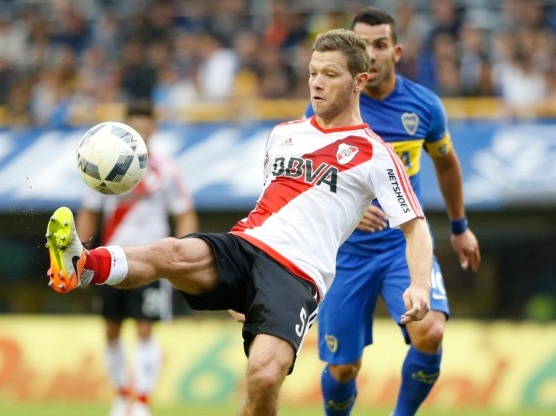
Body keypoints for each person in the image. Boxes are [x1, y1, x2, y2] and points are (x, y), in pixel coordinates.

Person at [45, 28, 434, 416]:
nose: (316, 83)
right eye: (313, 73)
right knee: (173, 250)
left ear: (359, 81)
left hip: (296, 273)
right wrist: (242, 286)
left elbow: (415, 226)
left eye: (330, 75)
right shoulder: (284, 134)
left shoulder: (376, 154)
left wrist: (419, 285)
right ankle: (82, 265)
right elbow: (268, 203)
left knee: (264, 377)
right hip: (246, 245)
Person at [303, 9, 481, 416]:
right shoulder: (326, 108)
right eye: (361, 46)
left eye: (379, 45)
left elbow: (447, 162)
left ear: (396, 51)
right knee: (343, 368)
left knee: (431, 331)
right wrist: (344, 207)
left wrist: (460, 227)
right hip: (344, 255)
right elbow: (303, 171)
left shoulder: (423, 107)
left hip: (402, 247)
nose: (370, 54)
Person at [74, 101, 198, 416]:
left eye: (146, 126)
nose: (142, 132)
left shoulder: (166, 170)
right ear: (126, 130)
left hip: (153, 261)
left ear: (154, 128)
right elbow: (89, 213)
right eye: (135, 127)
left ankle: (141, 402)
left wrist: (181, 256)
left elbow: (185, 215)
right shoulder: (104, 163)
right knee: (112, 330)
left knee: (145, 328)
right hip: (111, 258)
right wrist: (78, 256)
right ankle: (120, 397)